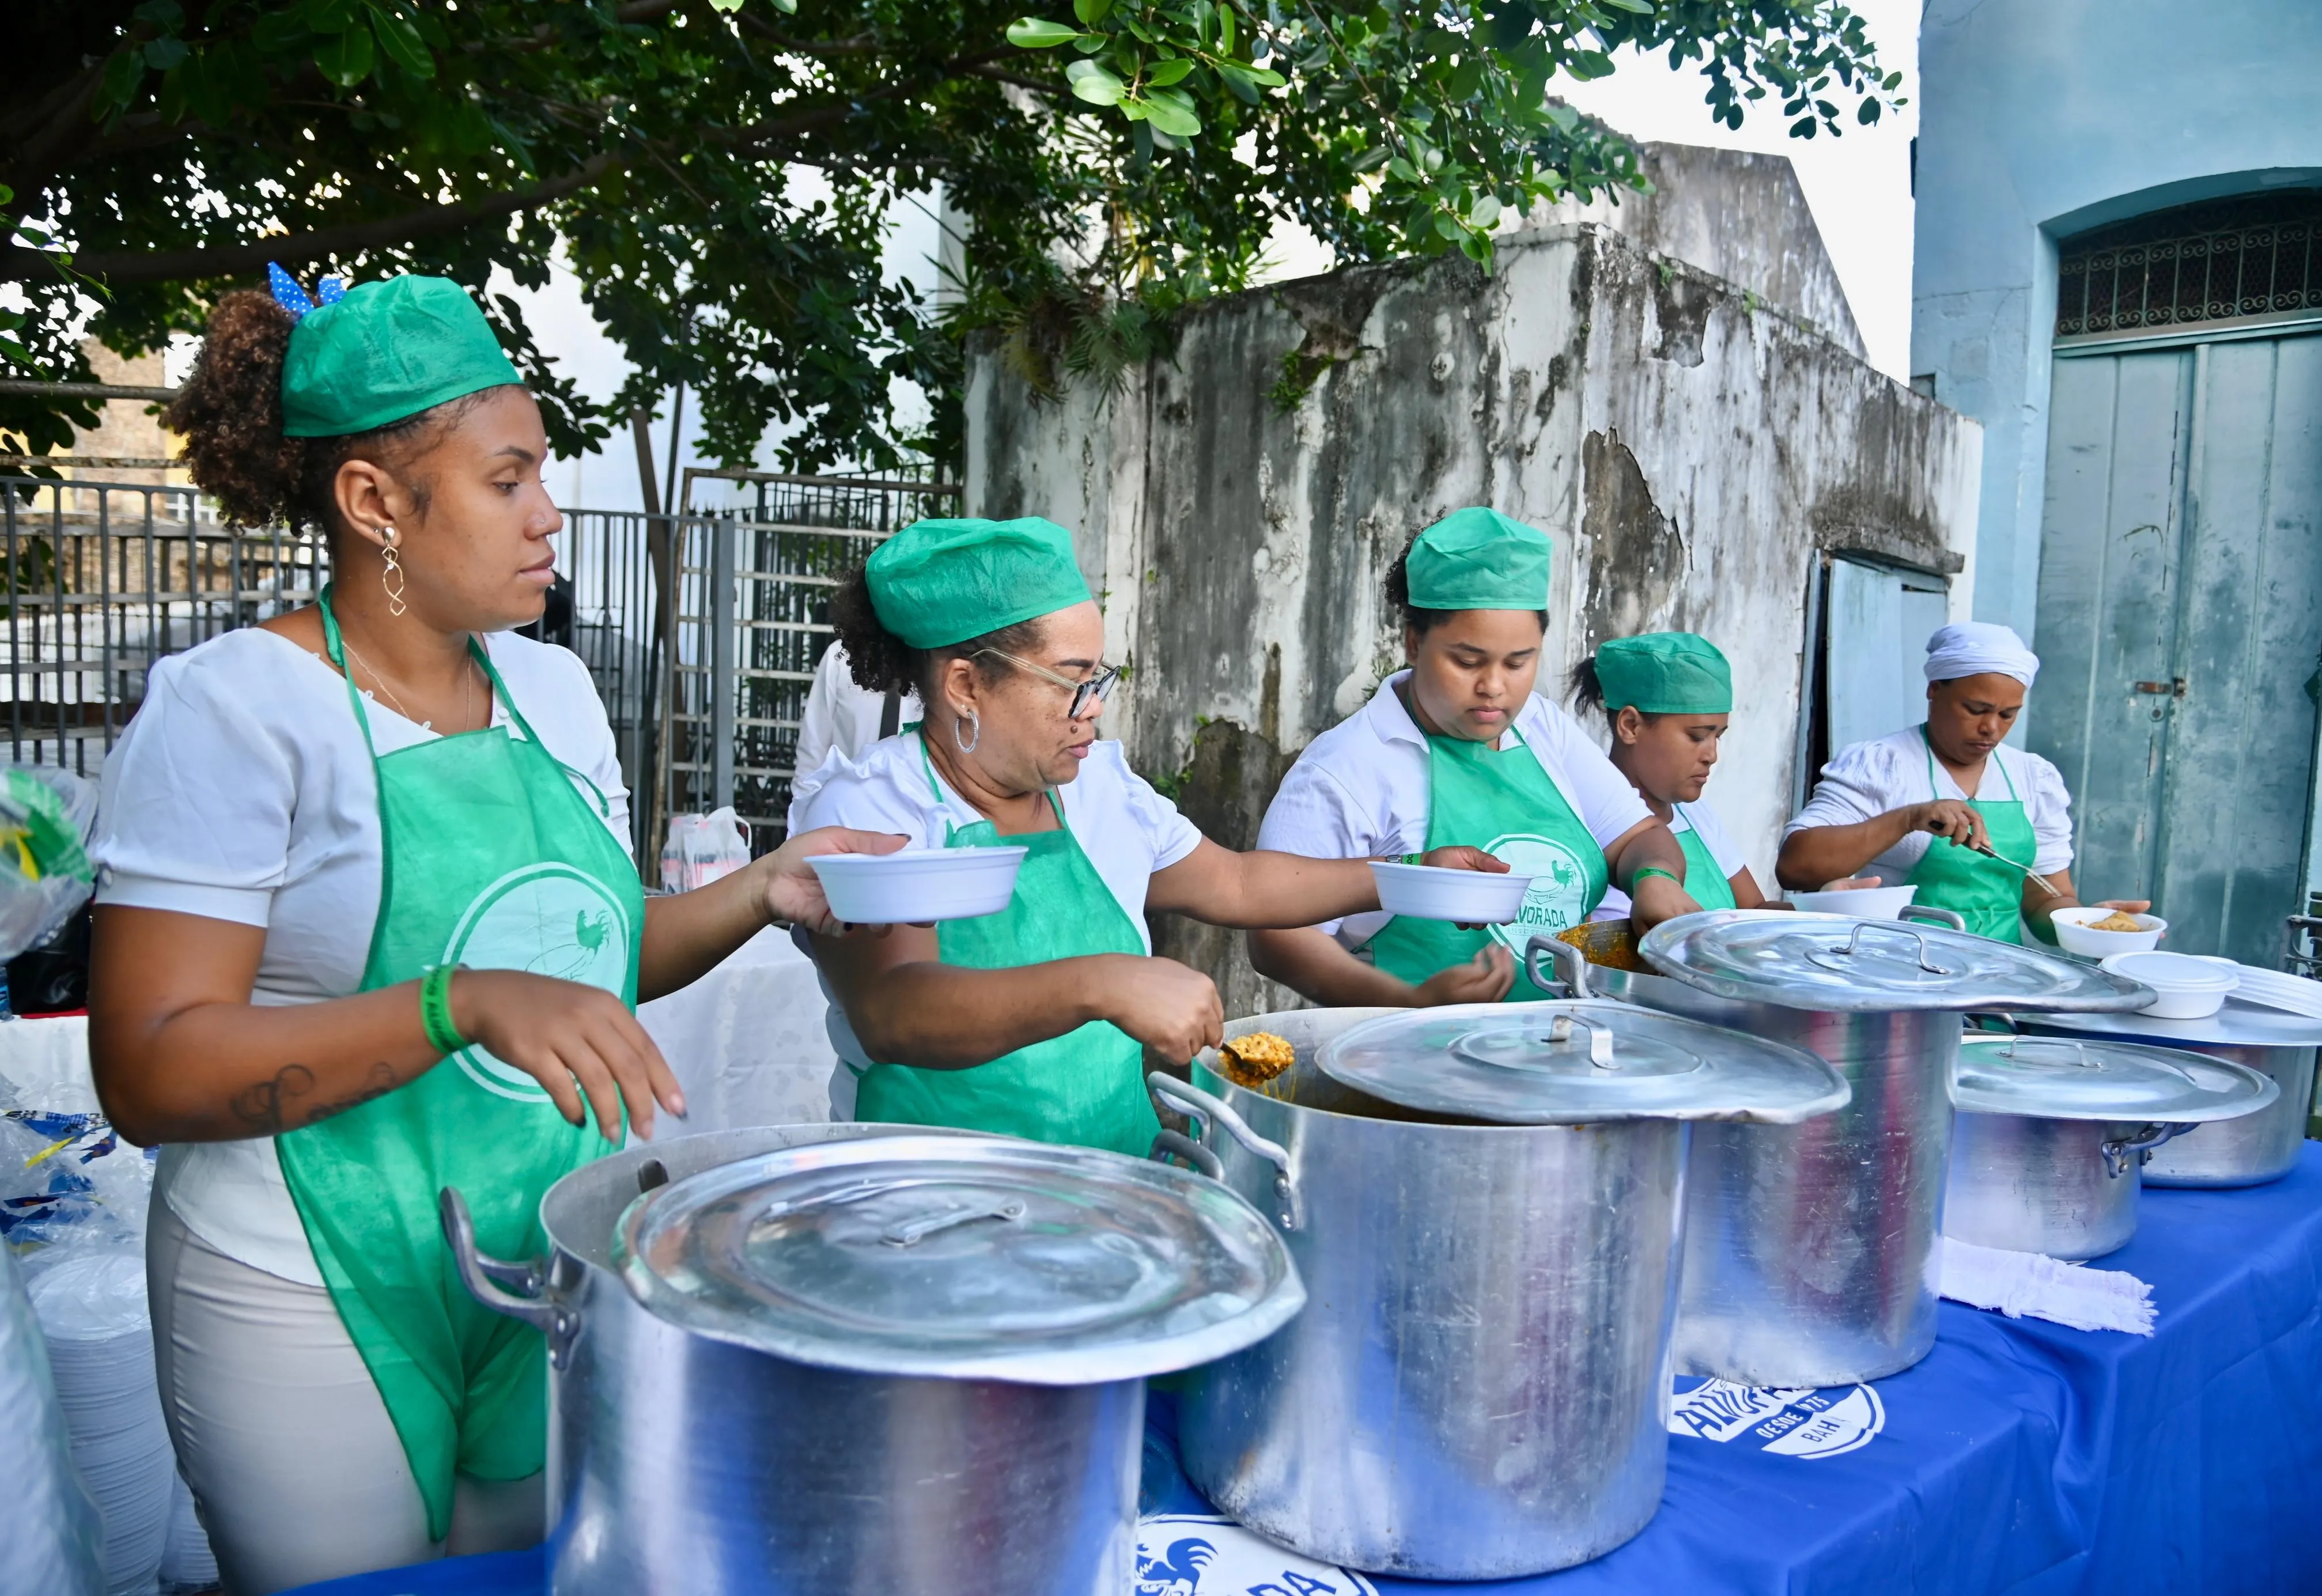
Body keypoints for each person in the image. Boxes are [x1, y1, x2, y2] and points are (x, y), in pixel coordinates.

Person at [85, 274, 899, 1596]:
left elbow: (583, 958)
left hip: (541, 1263)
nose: (548, 512)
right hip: (312, 1283)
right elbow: (150, 1068)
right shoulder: (236, 708)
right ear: (373, 503)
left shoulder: (554, 687)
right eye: (506, 478)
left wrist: (764, 888)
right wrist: (450, 999)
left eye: (543, 473)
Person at [793, 515, 1495, 1154]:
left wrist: (1416, 878)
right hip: (928, 1199)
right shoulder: (873, 811)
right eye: (1070, 681)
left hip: (1109, 1183)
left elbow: (1239, 882)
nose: (1092, 708)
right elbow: (895, 1010)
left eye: (1098, 677)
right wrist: (1101, 982)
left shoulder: (1099, 789)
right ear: (964, 687)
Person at [1249, 508, 1703, 1007]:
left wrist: (1653, 878)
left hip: (1563, 1054)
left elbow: (1637, 837)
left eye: (1518, 662)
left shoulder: (1541, 728)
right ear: (1414, 642)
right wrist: (1408, 999)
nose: (1494, 687)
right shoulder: (1348, 768)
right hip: (1407, 1063)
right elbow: (1276, 937)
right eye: (1467, 662)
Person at [1777, 621, 2147, 942]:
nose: (1991, 728)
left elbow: (2046, 899)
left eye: (2008, 715)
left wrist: (2088, 926)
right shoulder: (1883, 765)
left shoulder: (2033, 778)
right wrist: (1908, 819)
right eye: (1976, 710)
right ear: (1935, 690)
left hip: (1998, 982)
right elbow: (1795, 866)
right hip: (1896, 971)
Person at [1573, 632, 1775, 913]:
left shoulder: (1696, 817)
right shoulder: (1588, 828)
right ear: (1631, 726)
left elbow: (1754, 908)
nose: (1711, 756)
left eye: (1718, 737)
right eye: (1696, 737)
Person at [790, 636, 921, 808]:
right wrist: (804, 819)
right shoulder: (841, 657)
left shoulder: (937, 660)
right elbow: (813, 749)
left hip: (916, 813)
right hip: (846, 811)